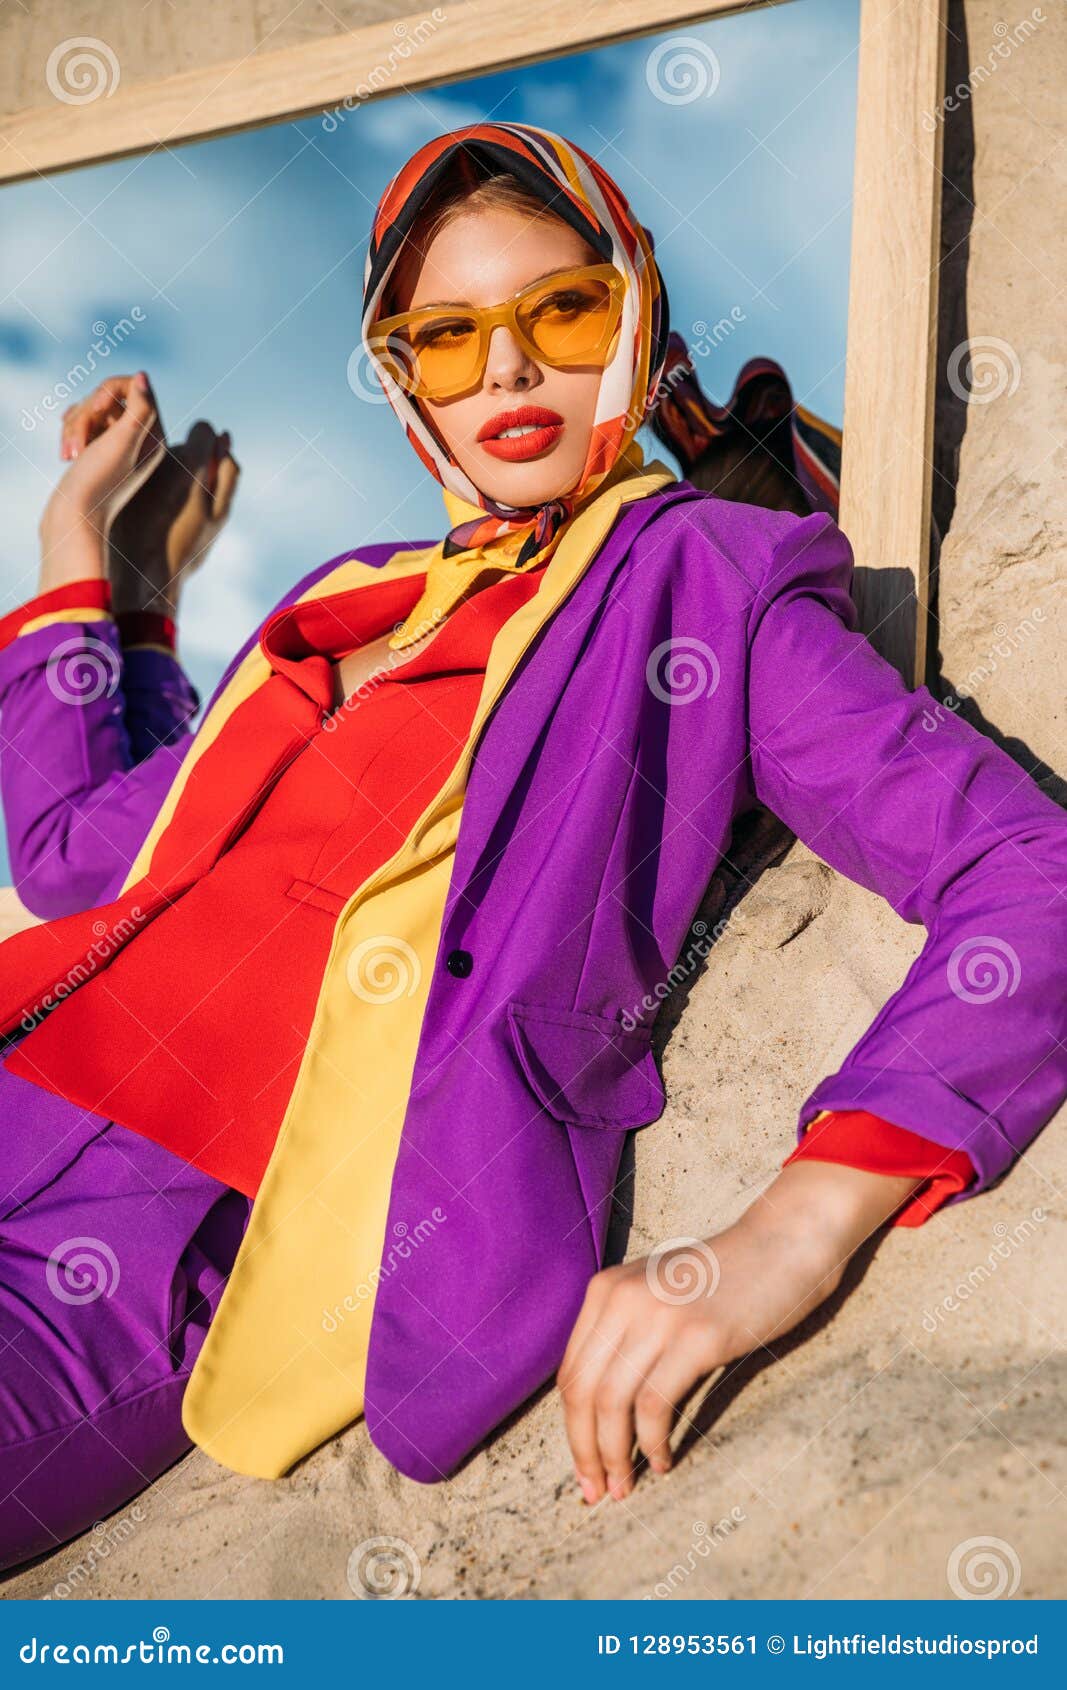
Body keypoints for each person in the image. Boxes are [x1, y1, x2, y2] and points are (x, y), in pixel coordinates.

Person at [0, 123, 1063, 1571]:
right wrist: (92, 542)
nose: (503, 368)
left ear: (633, 311)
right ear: (402, 379)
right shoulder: (356, 602)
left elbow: (1027, 873)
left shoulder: (696, 579)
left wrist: (791, 1229)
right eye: (446, 339)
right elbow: (78, 854)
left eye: (559, 312)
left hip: (156, 1241)